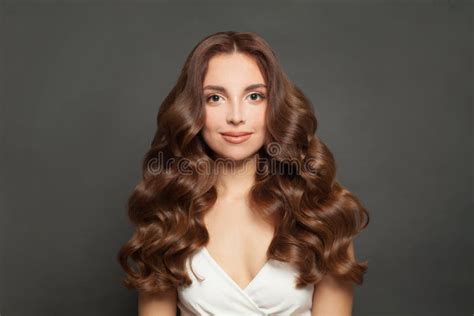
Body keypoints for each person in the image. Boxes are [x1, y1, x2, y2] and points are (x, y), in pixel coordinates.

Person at [117, 31, 369, 316]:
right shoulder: (168, 214)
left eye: (254, 96)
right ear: (193, 110)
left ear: (274, 105)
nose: (236, 116)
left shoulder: (321, 212)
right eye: (215, 97)